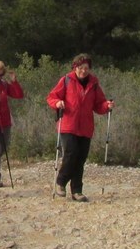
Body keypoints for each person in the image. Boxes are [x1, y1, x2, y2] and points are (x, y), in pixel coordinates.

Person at [46, 54, 113, 202]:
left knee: (80, 158)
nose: (83, 71)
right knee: (71, 154)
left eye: (86, 68)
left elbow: (99, 104)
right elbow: (52, 97)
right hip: (68, 125)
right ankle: (61, 182)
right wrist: (57, 103)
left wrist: (106, 106)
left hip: (85, 127)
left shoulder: (94, 83)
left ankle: (77, 190)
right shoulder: (66, 80)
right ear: (75, 67)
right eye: (80, 68)